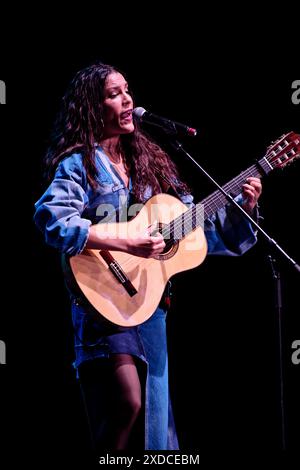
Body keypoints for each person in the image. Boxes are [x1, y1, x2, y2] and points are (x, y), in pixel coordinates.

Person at [34, 61, 262, 452]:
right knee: (127, 400)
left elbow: (196, 230)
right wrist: (127, 241)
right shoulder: (80, 164)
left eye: (127, 91)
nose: (126, 100)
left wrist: (244, 206)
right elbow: (51, 219)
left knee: (156, 427)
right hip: (102, 300)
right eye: (113, 94)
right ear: (93, 107)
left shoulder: (150, 162)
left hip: (148, 302)